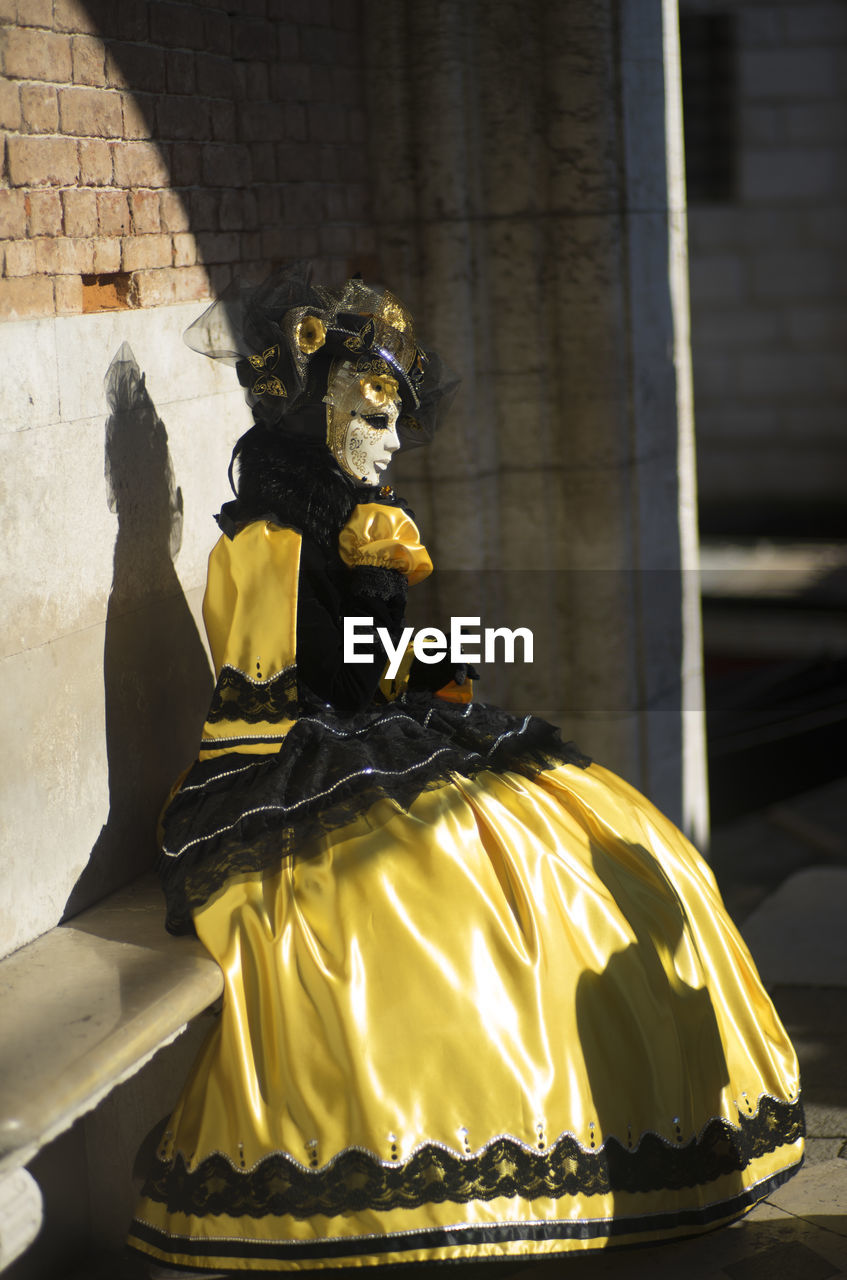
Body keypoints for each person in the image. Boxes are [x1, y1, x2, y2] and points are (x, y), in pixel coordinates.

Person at [128, 264, 803, 1273]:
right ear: (314, 416)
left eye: (396, 419)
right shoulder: (262, 549)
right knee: (438, 885)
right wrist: (377, 632)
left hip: (388, 739)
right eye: (372, 416)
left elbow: (381, 670)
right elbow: (264, 702)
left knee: (604, 841)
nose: (391, 443)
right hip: (299, 764)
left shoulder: (366, 533)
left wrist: (421, 656)